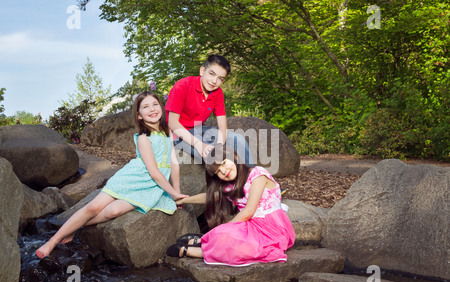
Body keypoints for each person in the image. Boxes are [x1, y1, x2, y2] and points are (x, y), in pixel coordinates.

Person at [36, 92, 188, 258]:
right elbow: (153, 171)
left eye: (155, 104)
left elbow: (174, 164)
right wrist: (173, 193)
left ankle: (76, 226)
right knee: (94, 207)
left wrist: (177, 193)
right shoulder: (144, 138)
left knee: (113, 211)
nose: (152, 109)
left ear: (161, 107)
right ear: (139, 115)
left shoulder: (167, 133)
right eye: (145, 107)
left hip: (150, 186)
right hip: (133, 178)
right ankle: (53, 240)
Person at [167, 144, 295, 266]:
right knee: (226, 236)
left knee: (233, 241)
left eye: (223, 163)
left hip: (271, 229)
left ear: (235, 156)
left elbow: (248, 211)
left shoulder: (257, 175)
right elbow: (210, 197)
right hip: (250, 227)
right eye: (218, 172)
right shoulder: (231, 186)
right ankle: (203, 241)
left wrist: (223, 230)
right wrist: (183, 200)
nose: (223, 171)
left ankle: (194, 250)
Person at [165, 54, 255, 167]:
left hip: (199, 129)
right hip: (178, 134)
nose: (214, 81)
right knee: (211, 154)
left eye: (220, 79)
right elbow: (172, 123)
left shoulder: (218, 93)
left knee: (238, 139)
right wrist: (199, 144)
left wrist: (219, 145)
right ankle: (231, 182)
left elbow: (222, 125)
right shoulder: (182, 86)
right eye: (212, 74)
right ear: (202, 71)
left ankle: (254, 176)